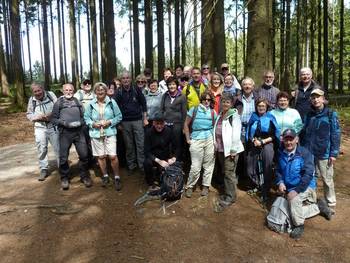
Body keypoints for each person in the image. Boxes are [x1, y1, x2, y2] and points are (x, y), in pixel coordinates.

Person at [275, 129, 332, 239]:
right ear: (283, 141)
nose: (288, 142)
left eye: (291, 139)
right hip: (289, 188)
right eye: (286, 140)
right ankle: (318, 207)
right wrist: (280, 182)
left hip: (306, 187)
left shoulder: (304, 153)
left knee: (293, 202)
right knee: (287, 211)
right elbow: (278, 171)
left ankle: (299, 225)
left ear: (297, 140)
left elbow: (308, 175)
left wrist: (296, 191)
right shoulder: (281, 153)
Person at [300, 88, 341, 209]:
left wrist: (333, 153)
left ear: (323, 99)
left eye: (318, 97)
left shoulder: (330, 114)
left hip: (324, 153)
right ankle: (311, 200)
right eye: (313, 98)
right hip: (309, 152)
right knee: (310, 176)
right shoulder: (308, 115)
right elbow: (303, 132)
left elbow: (336, 134)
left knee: (327, 179)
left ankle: (331, 203)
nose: (315, 99)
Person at [51, 83, 92, 190]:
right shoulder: (58, 103)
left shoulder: (77, 101)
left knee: (84, 155)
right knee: (63, 157)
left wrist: (80, 123)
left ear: (73, 91)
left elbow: (84, 116)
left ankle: (84, 176)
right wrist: (65, 123)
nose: (68, 92)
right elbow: (53, 119)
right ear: (63, 91)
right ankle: (64, 177)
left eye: (70, 90)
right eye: (66, 90)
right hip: (65, 133)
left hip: (79, 132)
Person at [84, 82, 123, 190]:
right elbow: (86, 118)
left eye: (102, 90)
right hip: (96, 133)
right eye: (98, 90)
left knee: (112, 156)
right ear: (95, 92)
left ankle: (117, 177)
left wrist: (110, 122)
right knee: (101, 156)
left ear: (106, 91)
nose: (100, 92)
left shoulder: (112, 102)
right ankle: (105, 176)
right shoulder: (91, 104)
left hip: (110, 132)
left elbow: (119, 116)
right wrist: (92, 124)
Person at [246, 98, 280, 203]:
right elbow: (249, 130)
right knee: (250, 167)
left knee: (267, 166)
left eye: (263, 106)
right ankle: (257, 185)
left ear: (266, 107)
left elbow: (275, 134)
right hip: (254, 143)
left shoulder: (270, 117)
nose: (261, 108)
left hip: (267, 143)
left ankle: (266, 189)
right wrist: (253, 140)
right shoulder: (253, 116)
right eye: (259, 106)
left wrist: (263, 142)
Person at [183, 91, 217, 198]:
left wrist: (216, 141)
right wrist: (188, 139)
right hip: (196, 139)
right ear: (201, 100)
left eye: (209, 100)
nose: (206, 101)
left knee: (208, 165)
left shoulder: (212, 112)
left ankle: (206, 186)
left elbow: (216, 127)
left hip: (210, 139)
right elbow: (186, 124)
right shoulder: (194, 109)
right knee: (195, 166)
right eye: (204, 99)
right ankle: (190, 186)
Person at [213, 93, 244, 207]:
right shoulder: (220, 114)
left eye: (227, 102)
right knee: (226, 172)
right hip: (221, 149)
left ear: (231, 104)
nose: (225, 104)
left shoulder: (234, 116)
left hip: (230, 150)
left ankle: (230, 197)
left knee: (229, 173)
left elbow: (236, 133)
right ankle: (228, 192)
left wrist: (233, 149)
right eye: (223, 101)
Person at [114, 71, 148, 172]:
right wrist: (118, 123)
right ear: (121, 80)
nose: (126, 80)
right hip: (124, 122)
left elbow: (144, 104)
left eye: (128, 78)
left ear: (131, 79)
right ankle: (131, 165)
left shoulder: (136, 89)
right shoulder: (118, 92)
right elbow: (115, 108)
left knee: (140, 144)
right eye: (124, 78)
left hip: (137, 120)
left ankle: (142, 165)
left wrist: (145, 118)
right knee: (129, 145)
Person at [26, 82, 59, 181]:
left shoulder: (51, 95)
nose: (37, 93)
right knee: (42, 149)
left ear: (43, 89)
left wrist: (51, 115)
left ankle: (62, 167)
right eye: (35, 91)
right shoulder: (32, 100)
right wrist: (37, 117)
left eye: (39, 90)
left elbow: (58, 108)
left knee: (58, 148)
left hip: (53, 126)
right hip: (40, 127)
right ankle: (43, 169)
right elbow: (29, 114)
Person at [144, 113, 177, 191]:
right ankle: (150, 183)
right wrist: (158, 161)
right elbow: (146, 151)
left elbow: (176, 146)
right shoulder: (148, 132)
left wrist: (173, 157)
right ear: (153, 123)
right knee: (146, 163)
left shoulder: (169, 131)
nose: (159, 126)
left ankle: (161, 179)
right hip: (153, 158)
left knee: (164, 180)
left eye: (161, 123)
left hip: (165, 157)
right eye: (157, 123)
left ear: (164, 123)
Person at [160, 76, 187, 161]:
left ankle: (177, 164)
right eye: (169, 84)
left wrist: (183, 127)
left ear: (176, 85)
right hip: (166, 124)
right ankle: (166, 165)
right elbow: (161, 109)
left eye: (173, 84)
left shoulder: (182, 96)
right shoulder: (165, 95)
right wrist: (161, 123)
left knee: (177, 145)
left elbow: (184, 113)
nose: (171, 86)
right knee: (166, 145)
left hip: (177, 125)